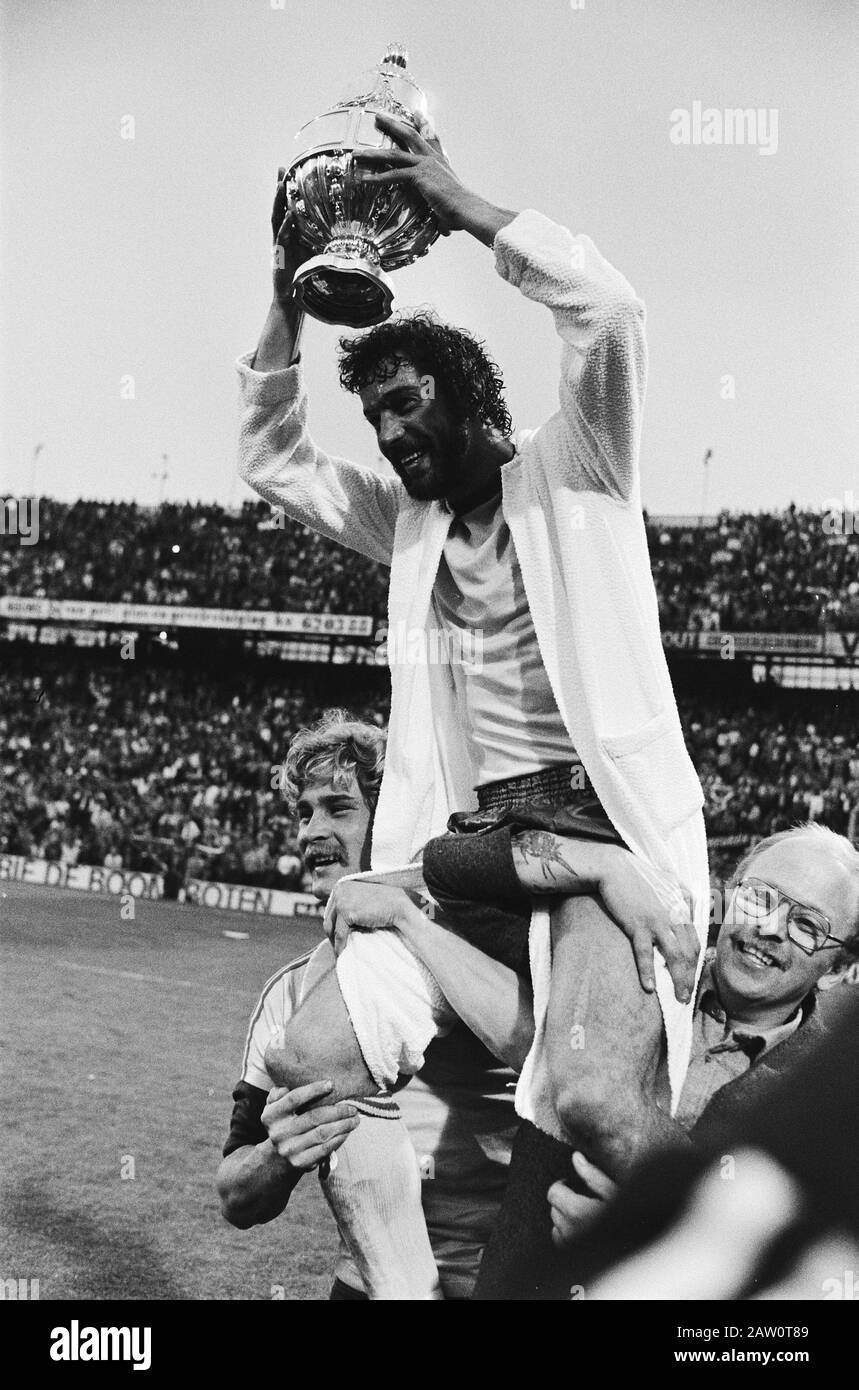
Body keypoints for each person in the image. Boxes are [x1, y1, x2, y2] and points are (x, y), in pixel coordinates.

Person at [236, 111, 709, 1296]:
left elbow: (608, 309)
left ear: (466, 393)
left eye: (407, 404)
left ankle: (763, 1275)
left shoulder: (580, 470)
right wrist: (291, 286)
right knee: (313, 1054)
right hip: (466, 846)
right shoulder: (407, 523)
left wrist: (455, 201)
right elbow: (272, 458)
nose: (392, 435)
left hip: (598, 831)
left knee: (595, 1092)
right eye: (377, 416)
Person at [216, 711, 519, 1300]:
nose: (311, 831)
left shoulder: (475, 953)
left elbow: (552, 1055)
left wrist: (408, 916)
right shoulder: (290, 992)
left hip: (509, 1282)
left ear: (388, 825)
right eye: (304, 813)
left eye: (338, 807)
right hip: (367, 1284)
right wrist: (279, 1156)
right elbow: (233, 1194)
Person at [547, 823, 859, 1268]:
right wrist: (602, 863)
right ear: (728, 897)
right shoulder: (640, 961)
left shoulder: (826, 1104)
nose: (768, 928)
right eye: (758, 897)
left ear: (836, 969)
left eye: (807, 925)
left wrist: (644, 1246)